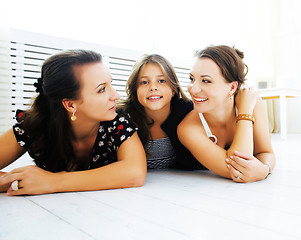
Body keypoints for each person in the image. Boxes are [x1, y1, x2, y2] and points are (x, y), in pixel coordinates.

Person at [0, 49, 146, 196]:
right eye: (102, 89)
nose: (116, 95)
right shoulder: (35, 126)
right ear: (70, 105)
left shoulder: (116, 122)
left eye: (110, 84)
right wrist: (18, 182)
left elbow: (135, 172)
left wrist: (52, 182)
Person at [177, 45, 276, 183]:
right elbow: (238, 170)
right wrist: (245, 113)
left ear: (232, 87)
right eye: (191, 78)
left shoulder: (252, 102)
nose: (193, 89)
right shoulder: (188, 128)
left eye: (206, 81)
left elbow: (266, 152)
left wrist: (266, 169)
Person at [118, 54, 205, 170]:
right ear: (135, 90)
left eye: (161, 81)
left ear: (173, 89)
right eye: (144, 82)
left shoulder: (188, 112)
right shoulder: (123, 118)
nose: (153, 87)